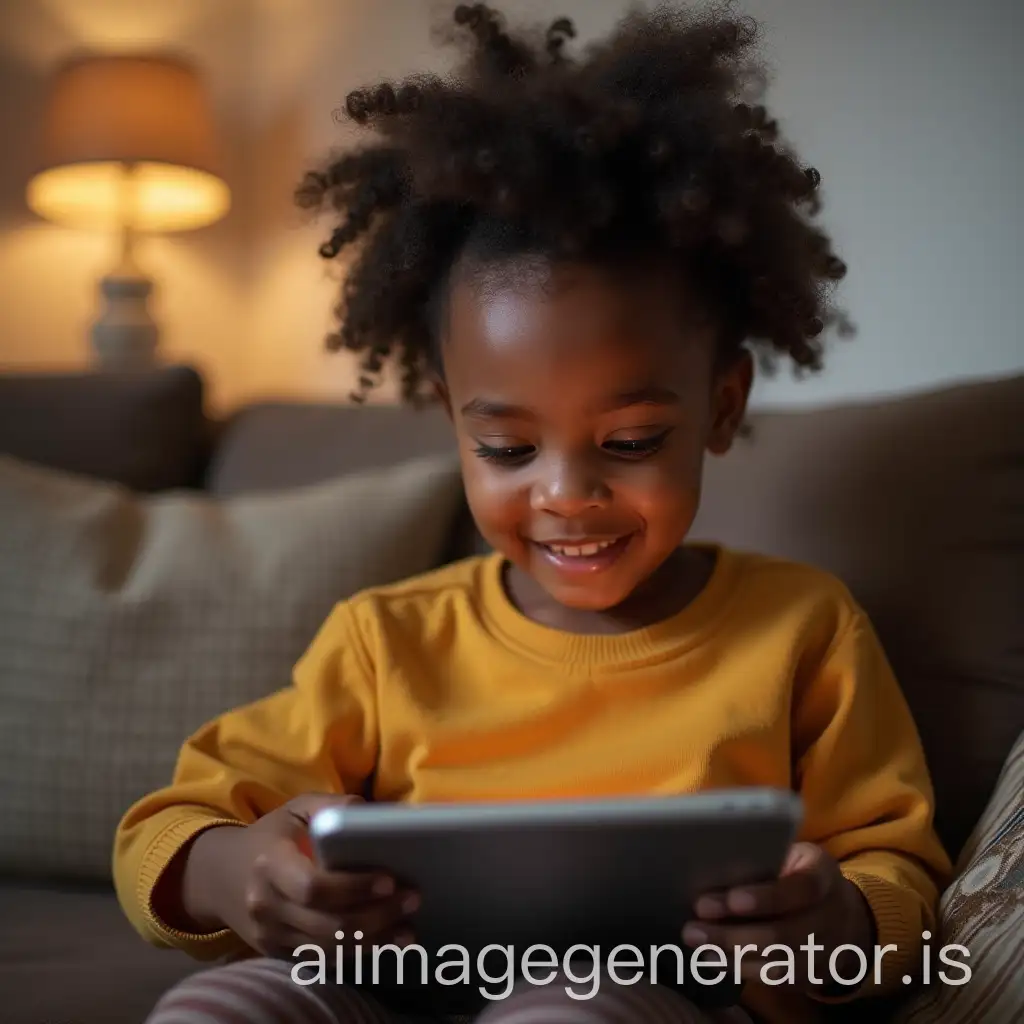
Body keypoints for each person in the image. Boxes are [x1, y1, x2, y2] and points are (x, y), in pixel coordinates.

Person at [114, 4, 952, 1023]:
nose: (565, 494)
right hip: (387, 986)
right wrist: (238, 870)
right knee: (215, 1008)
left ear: (720, 407)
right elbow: (171, 824)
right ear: (450, 419)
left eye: (631, 440)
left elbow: (894, 865)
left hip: (641, 1001)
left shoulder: (802, 630)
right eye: (507, 449)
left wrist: (834, 926)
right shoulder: (385, 643)